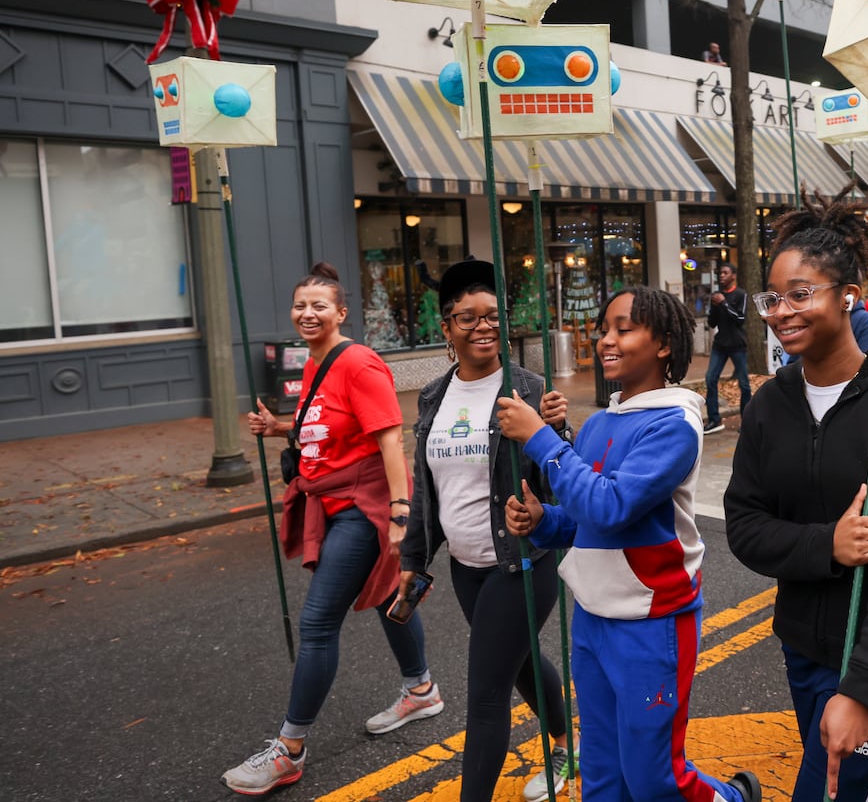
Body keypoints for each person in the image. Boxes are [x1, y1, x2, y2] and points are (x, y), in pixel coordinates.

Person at [723, 186, 868, 802]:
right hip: (802, 645)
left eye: (802, 294)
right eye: (773, 297)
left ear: (849, 296)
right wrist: (829, 545)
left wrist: (864, 688)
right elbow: (743, 525)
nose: (781, 311)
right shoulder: (770, 404)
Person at [499, 286, 760, 802]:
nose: (605, 340)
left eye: (624, 328)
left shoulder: (675, 423)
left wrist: (540, 438)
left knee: (655, 779)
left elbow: (610, 506)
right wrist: (542, 520)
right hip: (592, 618)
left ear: (664, 343)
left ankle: (733, 799)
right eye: (604, 329)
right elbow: (586, 519)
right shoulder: (598, 422)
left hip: (655, 622)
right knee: (601, 772)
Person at [226, 263, 439, 796]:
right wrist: (278, 427)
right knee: (389, 593)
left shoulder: (359, 363)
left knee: (319, 623)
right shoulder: (316, 364)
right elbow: (325, 428)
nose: (307, 313)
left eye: (319, 305)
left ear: (341, 313)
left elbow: (390, 440)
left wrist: (399, 513)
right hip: (334, 500)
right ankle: (422, 690)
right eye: (300, 305)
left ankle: (290, 749)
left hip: (361, 505)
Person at [399, 260, 576, 802]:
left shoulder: (528, 389)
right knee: (521, 663)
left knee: (486, 693)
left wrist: (556, 429)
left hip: (521, 564)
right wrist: (414, 558)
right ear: (446, 328)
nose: (483, 326)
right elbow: (427, 487)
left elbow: (561, 479)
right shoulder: (432, 396)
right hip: (466, 568)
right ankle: (569, 741)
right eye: (468, 317)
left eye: (492, 316)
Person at [704, 262, 751, 434]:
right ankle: (714, 420)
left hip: (737, 345)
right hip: (720, 345)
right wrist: (714, 307)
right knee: (710, 379)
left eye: (725, 273)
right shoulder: (718, 295)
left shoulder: (741, 294)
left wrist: (724, 303)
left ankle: (746, 420)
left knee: (744, 384)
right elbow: (711, 323)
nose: (721, 275)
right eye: (719, 273)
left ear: (733, 276)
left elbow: (740, 318)